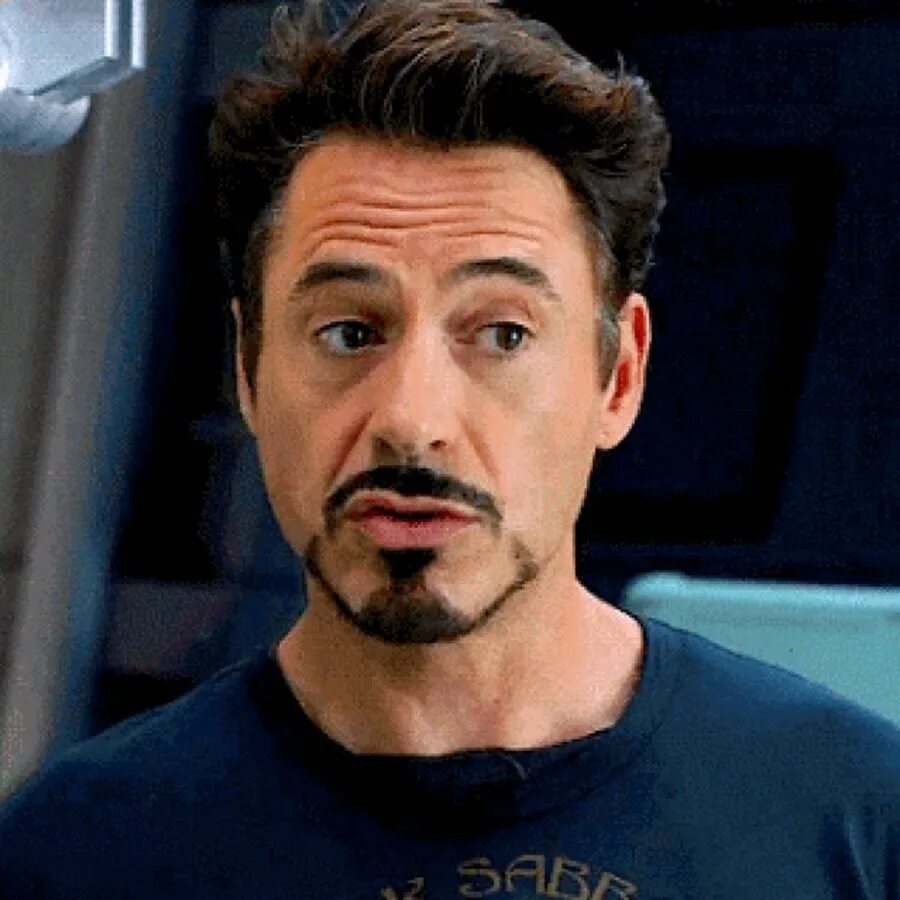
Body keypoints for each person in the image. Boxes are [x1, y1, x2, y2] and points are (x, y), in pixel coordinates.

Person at [1, 0, 898, 896]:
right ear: (248, 368)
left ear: (619, 378)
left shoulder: (854, 823)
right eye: (349, 332)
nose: (411, 417)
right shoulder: (77, 850)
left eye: (503, 334)